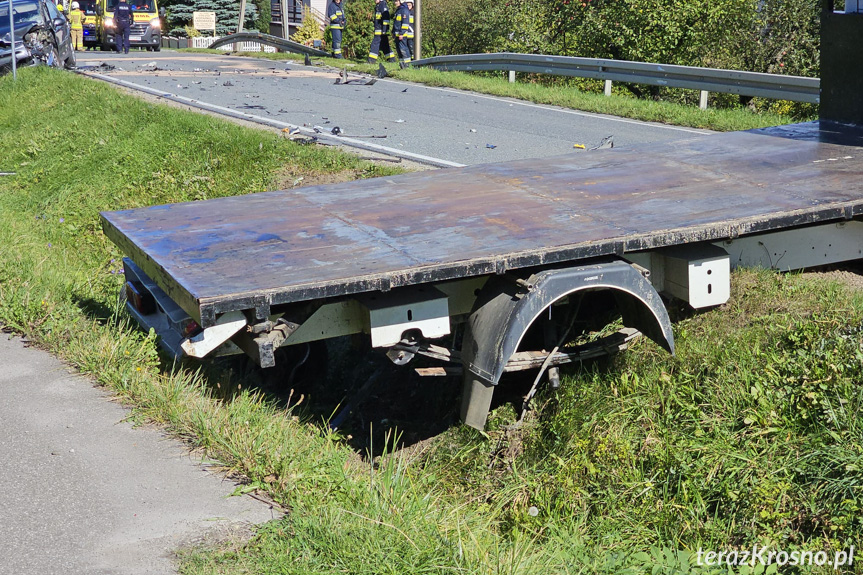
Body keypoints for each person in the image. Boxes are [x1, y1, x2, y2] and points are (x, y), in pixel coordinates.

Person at [393, 0, 412, 65]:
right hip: (397, 34)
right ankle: (402, 65)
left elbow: (405, 24)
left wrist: (401, 33)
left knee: (403, 49)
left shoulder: (404, 10)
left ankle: (407, 64)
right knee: (399, 51)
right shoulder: (399, 10)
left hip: (402, 35)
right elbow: (396, 23)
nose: (395, 3)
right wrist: (393, 32)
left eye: (396, 1)